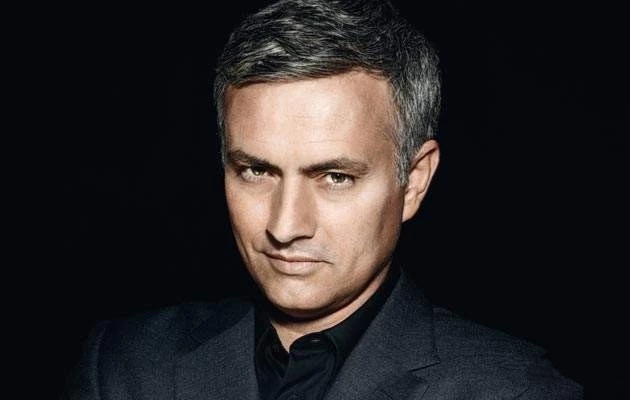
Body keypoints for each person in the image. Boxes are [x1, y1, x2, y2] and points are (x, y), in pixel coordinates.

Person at [62, 0, 583, 398]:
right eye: (256, 171)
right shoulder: (123, 366)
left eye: (335, 177)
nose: (285, 225)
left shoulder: (513, 391)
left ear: (414, 181)